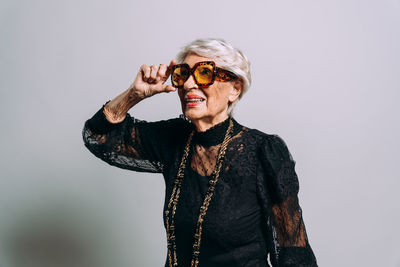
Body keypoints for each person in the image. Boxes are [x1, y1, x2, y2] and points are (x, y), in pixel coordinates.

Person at [82, 38, 318, 267]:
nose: (187, 85)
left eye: (204, 74)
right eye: (182, 75)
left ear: (234, 89)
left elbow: (292, 252)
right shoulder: (174, 139)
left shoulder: (263, 152)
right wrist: (135, 93)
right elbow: (98, 137)